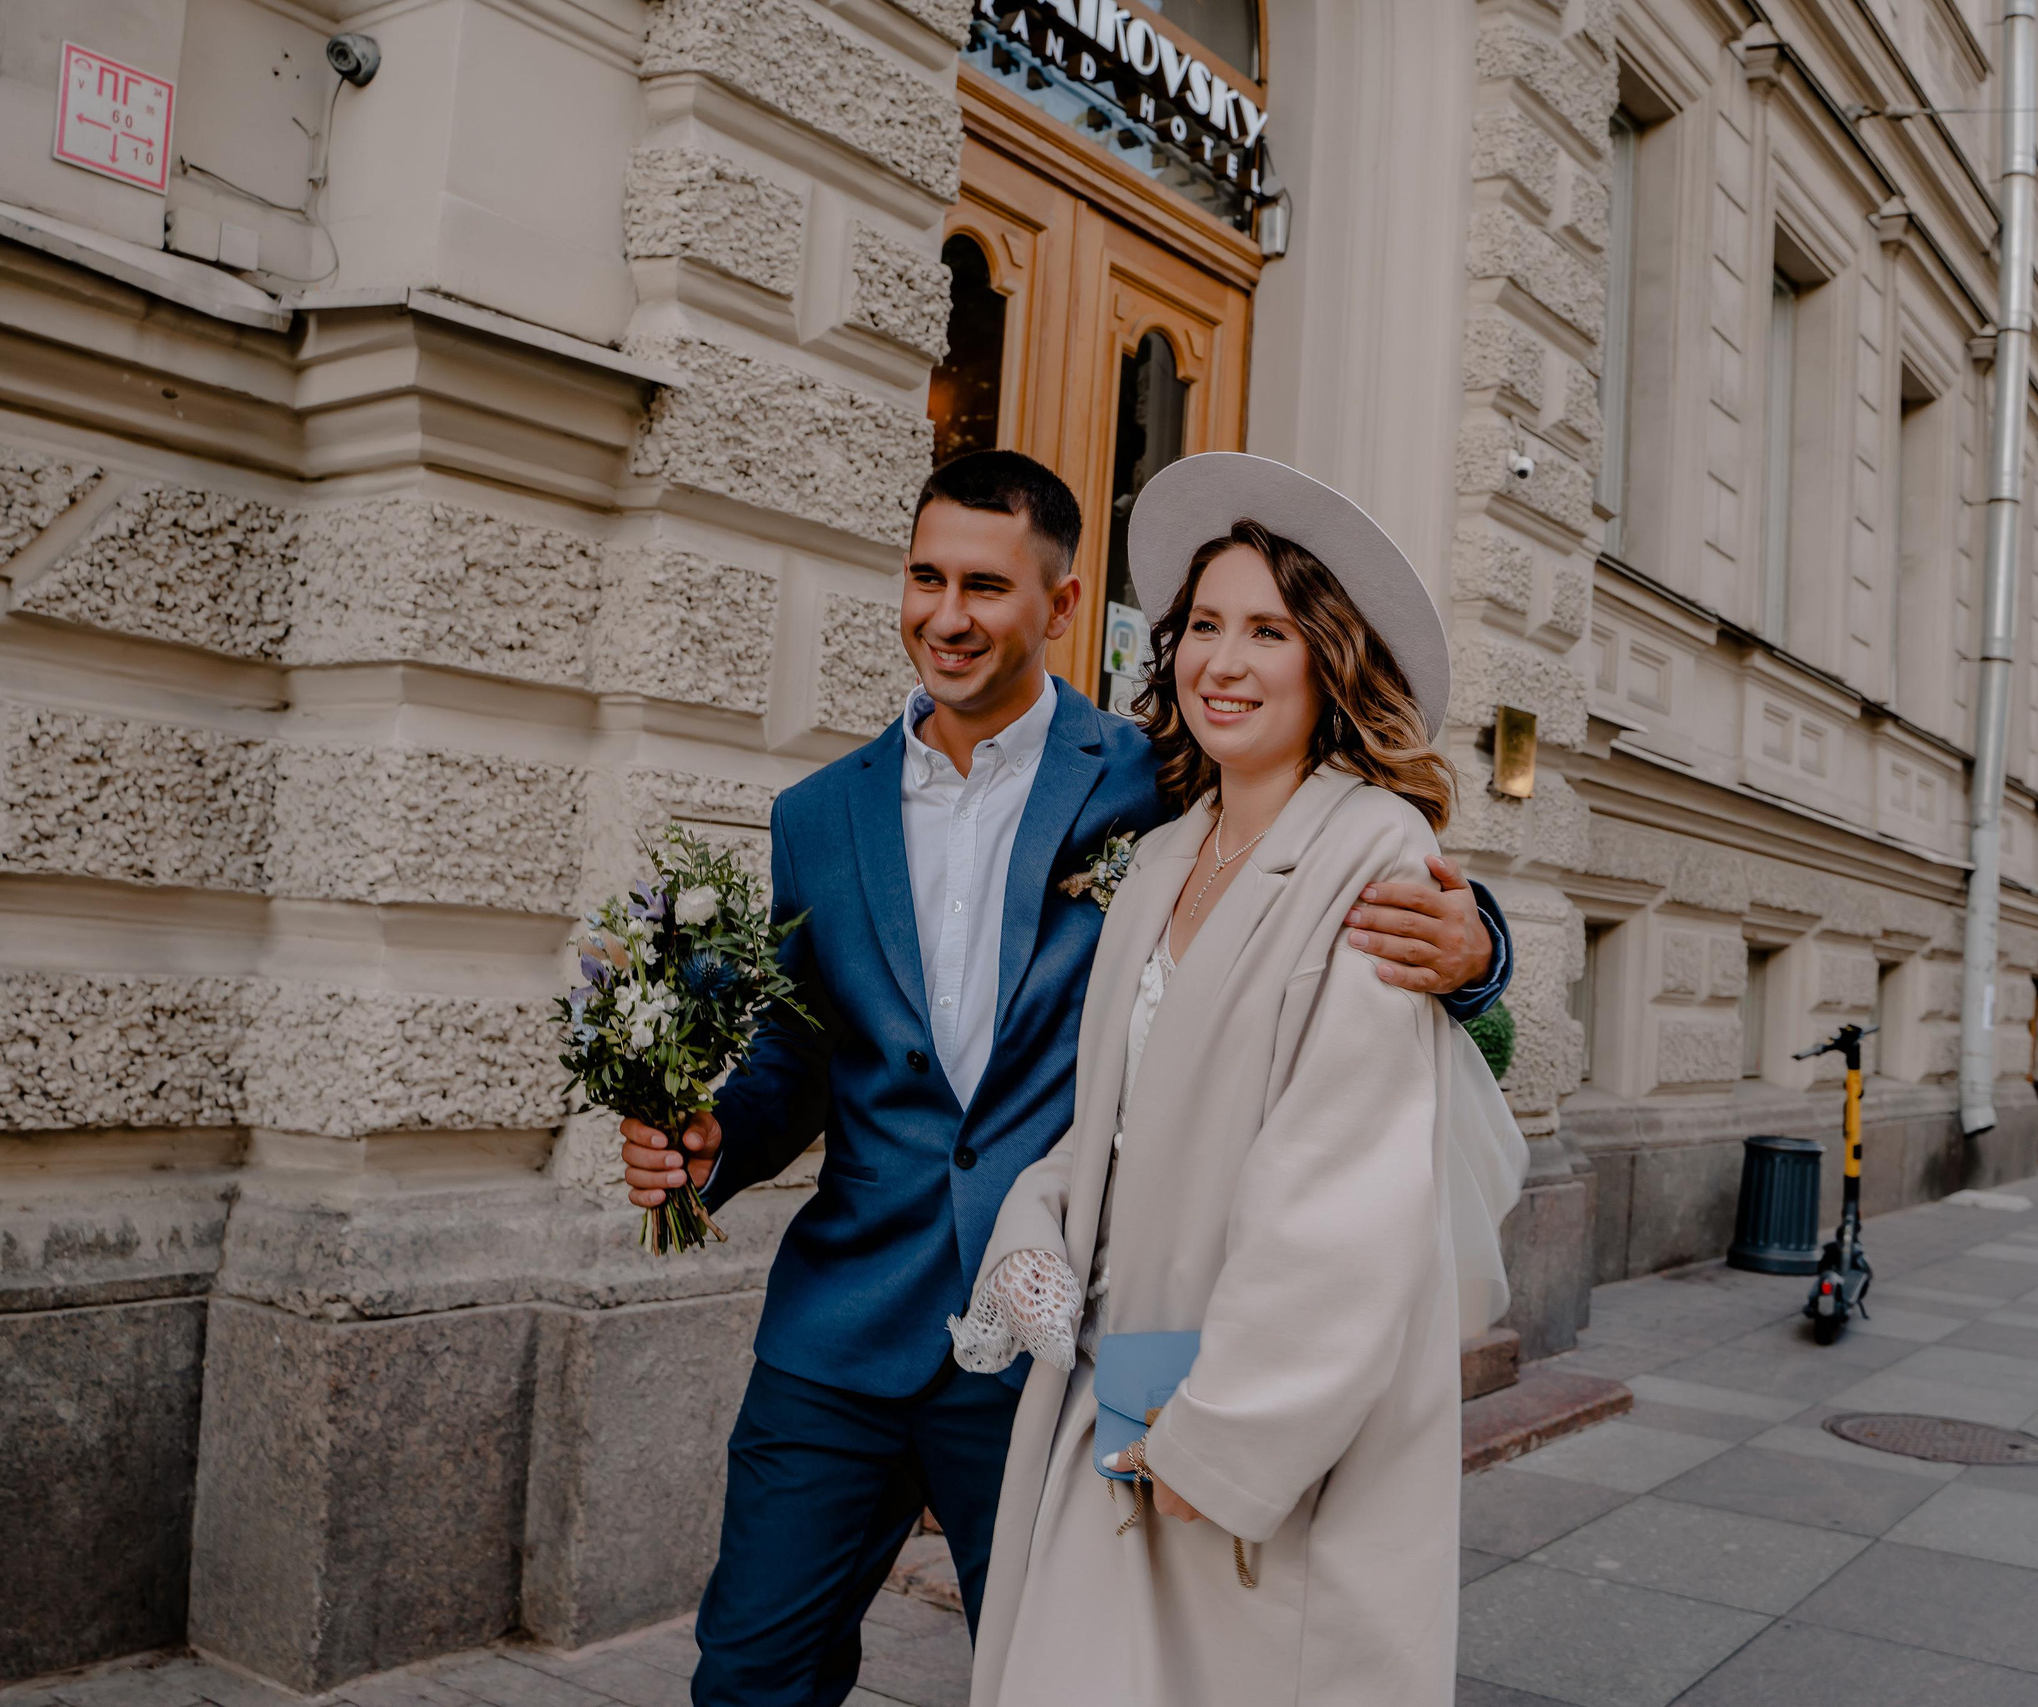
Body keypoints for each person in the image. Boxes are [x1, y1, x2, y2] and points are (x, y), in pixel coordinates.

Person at [618, 449, 1516, 1707]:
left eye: (985, 586)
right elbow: (802, 1051)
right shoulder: (816, 816)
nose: (947, 615)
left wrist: (1479, 951)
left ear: (1062, 604)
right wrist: (716, 1141)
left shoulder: (1158, 781)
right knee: (749, 1676)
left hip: (1059, 1349)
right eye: (925, 578)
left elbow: (1346, 879)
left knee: (1070, 1674)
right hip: (845, 1323)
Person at [955, 454, 1483, 1707]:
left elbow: (1348, 1188)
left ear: (1331, 660)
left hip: (1252, 1424)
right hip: (1114, 1387)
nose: (1222, 663)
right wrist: (1033, 1228)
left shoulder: (1373, 849)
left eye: (1267, 631)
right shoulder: (1162, 859)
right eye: (1202, 626)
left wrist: (1230, 1434)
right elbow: (1111, 1124)